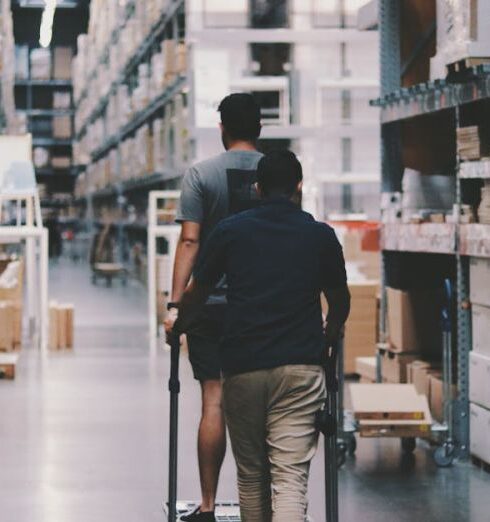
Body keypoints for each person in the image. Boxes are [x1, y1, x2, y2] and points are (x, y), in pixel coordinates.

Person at [167, 150, 351, 521]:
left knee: (252, 478)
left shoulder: (230, 232)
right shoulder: (320, 236)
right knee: (289, 477)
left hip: (243, 368)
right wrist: (330, 334)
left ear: (257, 187)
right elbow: (340, 300)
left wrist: (178, 323)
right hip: (300, 368)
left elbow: (198, 292)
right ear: (299, 186)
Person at [165, 93, 263, 521]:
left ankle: (207, 505)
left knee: (214, 401)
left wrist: (174, 305)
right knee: (259, 403)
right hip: (259, 305)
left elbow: (190, 240)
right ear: (259, 128)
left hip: (209, 304)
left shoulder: (201, 174)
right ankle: (257, 505)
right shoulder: (277, 172)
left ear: (222, 127)